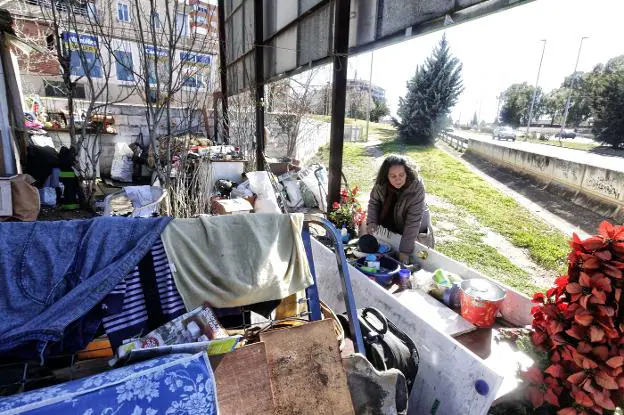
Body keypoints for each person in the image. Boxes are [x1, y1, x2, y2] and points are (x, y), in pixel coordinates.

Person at [366, 155, 434, 263]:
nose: (398, 179)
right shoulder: (381, 184)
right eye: (393, 176)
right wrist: (372, 222)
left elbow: (413, 222)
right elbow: (374, 203)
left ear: (407, 173)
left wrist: (404, 252)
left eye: (401, 175)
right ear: (386, 176)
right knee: (392, 245)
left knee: (419, 258)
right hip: (394, 219)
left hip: (417, 226)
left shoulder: (416, 188)